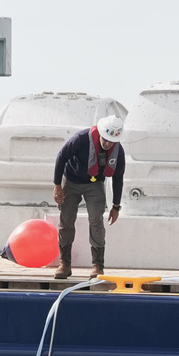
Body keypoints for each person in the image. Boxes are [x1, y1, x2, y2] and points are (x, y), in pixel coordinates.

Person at [52, 115, 125, 279]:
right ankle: (65, 263)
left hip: (94, 184)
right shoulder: (80, 139)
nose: (107, 144)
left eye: (111, 141)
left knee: (96, 221)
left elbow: (118, 178)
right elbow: (61, 157)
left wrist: (116, 206)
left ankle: (98, 265)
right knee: (66, 220)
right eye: (105, 139)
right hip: (71, 181)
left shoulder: (118, 152)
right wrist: (57, 186)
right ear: (100, 133)